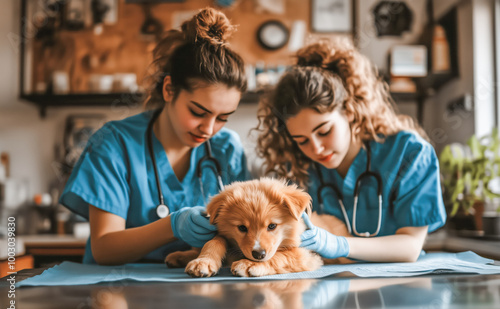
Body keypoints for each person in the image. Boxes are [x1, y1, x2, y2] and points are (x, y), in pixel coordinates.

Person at [60, 8, 250, 265]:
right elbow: (104, 248)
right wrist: (172, 226)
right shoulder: (113, 144)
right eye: (198, 112)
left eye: (223, 117)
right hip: (119, 291)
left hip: (202, 293)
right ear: (169, 89)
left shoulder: (227, 149)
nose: (209, 128)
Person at [256, 39, 446, 263]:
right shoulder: (298, 166)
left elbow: (410, 247)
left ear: (349, 111)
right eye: (301, 140)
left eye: (324, 131)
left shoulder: (409, 153)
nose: (316, 148)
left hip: (399, 286)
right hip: (329, 287)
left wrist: (339, 244)